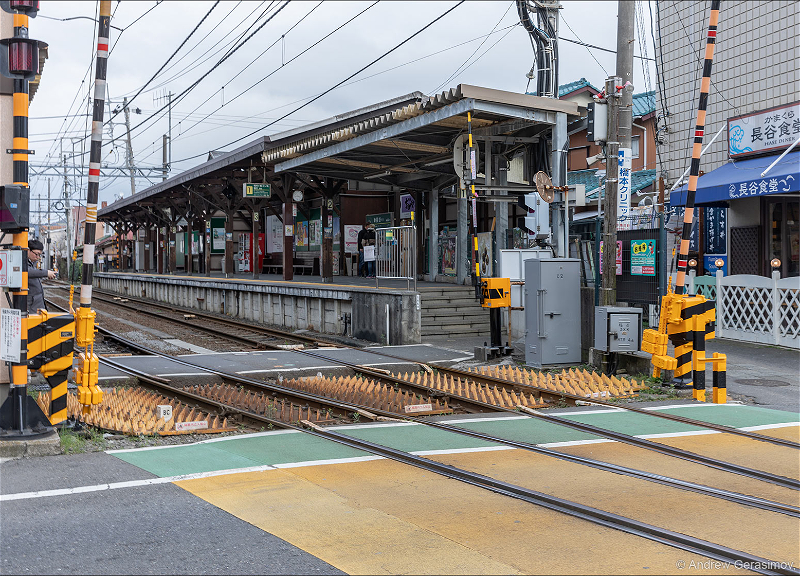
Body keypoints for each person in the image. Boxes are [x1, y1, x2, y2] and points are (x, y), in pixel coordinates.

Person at [27, 239, 56, 315]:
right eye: (36, 254)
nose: (37, 257)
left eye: (39, 255)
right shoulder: (23, 262)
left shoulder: (32, 262)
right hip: (31, 304)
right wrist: (46, 273)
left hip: (36, 303)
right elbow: (28, 272)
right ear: (28, 251)